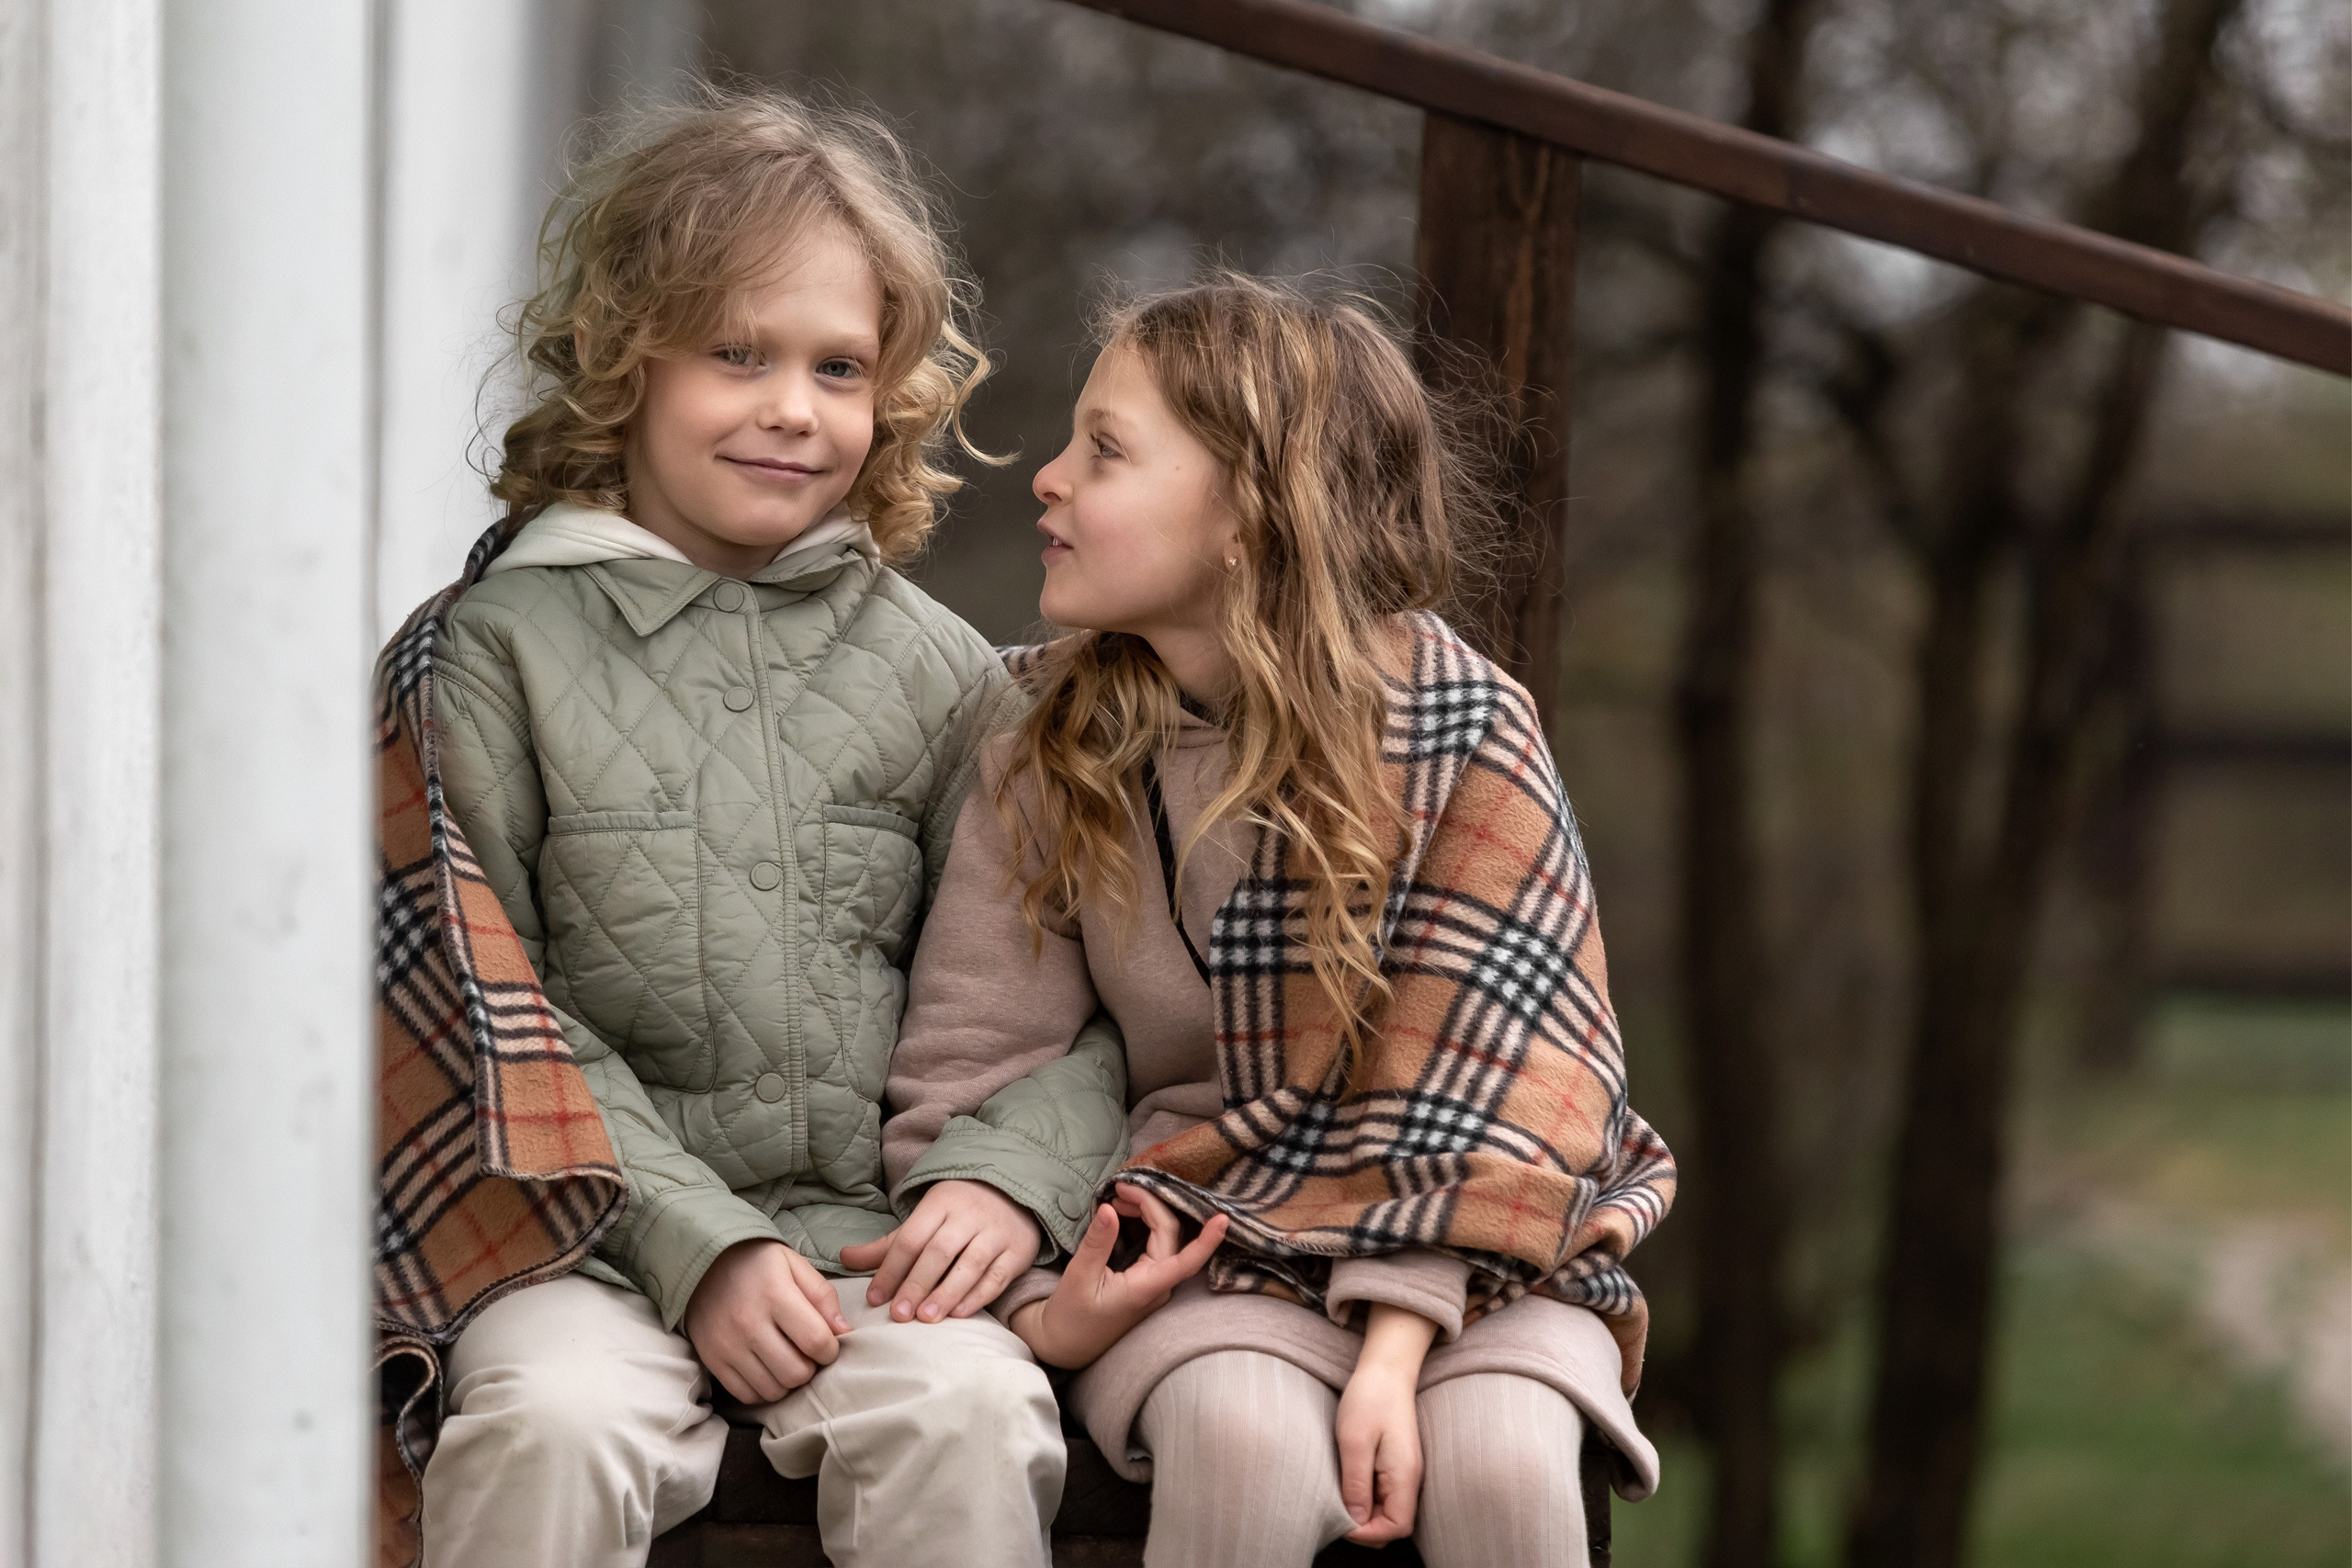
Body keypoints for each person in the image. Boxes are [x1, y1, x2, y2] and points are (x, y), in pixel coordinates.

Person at [416, 90, 1127, 1568]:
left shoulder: (939, 670)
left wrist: (1010, 1173)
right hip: (583, 1243)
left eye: (838, 366)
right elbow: (490, 1007)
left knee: (973, 1413)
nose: (792, 406)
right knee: (547, 1427)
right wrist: (700, 1243)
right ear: (625, 360)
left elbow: (1090, 986)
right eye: (736, 353)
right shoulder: (492, 651)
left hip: (868, 1241)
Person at [878, 274, 1679, 1568]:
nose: (1050, 477)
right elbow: (974, 1066)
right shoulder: (1048, 746)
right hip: (1208, 1240)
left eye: (1107, 450)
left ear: (1249, 513)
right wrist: (1050, 1306)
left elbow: (1514, 1086)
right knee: (1242, 1448)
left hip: (1479, 1256)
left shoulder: (1459, 732)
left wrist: (1399, 1338)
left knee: (1509, 1464)